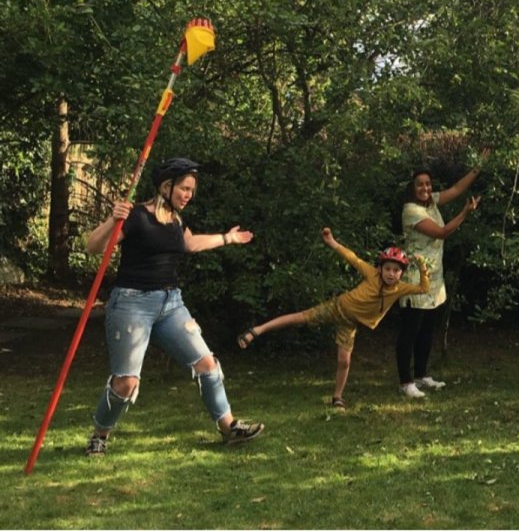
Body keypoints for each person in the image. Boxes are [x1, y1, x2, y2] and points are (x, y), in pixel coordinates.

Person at [82, 157, 263, 456]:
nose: (189, 195)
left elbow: (190, 244)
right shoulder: (137, 216)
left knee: (207, 365)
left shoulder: (177, 221)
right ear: (166, 186)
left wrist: (227, 238)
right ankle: (99, 435)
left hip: (170, 304)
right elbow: (93, 247)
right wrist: (112, 220)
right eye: (185, 188)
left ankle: (229, 428)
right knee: (126, 382)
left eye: (192, 190)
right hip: (131, 304)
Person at [237, 228, 429, 408]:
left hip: (350, 323)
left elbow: (423, 288)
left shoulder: (401, 288)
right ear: (380, 268)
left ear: (401, 273)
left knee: (344, 361)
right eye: (388, 268)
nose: (391, 273)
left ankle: (337, 397)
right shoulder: (372, 274)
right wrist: (331, 242)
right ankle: (256, 330)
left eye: (396, 270)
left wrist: (421, 266)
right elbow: (352, 258)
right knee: (299, 318)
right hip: (337, 307)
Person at [397, 151, 489, 398]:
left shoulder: (433, 202)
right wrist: (465, 213)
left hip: (433, 277)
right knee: (411, 330)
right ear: (412, 188)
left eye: (427, 184)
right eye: (420, 185)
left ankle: (422, 375)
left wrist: (478, 164)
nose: (425, 188)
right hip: (415, 279)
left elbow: (458, 188)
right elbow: (441, 232)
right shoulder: (411, 210)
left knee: (427, 329)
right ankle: (405, 382)